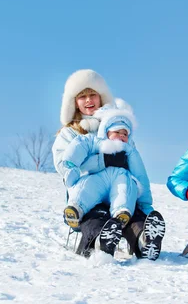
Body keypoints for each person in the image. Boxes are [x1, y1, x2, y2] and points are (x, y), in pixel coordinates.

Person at [52, 69, 165, 260]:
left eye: (92, 95)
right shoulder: (69, 133)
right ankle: (98, 242)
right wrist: (103, 161)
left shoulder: (118, 126)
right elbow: (66, 165)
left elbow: (134, 163)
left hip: (119, 189)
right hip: (87, 193)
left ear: (101, 97)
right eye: (82, 97)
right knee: (97, 216)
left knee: (132, 214)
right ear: (74, 102)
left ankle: (144, 241)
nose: (88, 100)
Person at [59, 102, 153, 255]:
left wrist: (146, 205)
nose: (122, 136)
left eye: (125, 134)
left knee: (125, 189)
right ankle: (77, 209)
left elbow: (141, 175)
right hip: (97, 181)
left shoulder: (130, 150)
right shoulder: (94, 141)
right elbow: (77, 152)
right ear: (106, 131)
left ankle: (128, 221)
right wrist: (71, 170)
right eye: (117, 132)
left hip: (119, 180)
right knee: (87, 189)